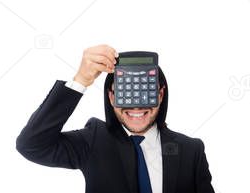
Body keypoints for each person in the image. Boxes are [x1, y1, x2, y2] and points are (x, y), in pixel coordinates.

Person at [16, 45, 214, 193]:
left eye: (146, 92)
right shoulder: (93, 140)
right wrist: (81, 80)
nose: (136, 106)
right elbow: (31, 145)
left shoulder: (192, 150)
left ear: (160, 95)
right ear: (111, 97)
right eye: (126, 94)